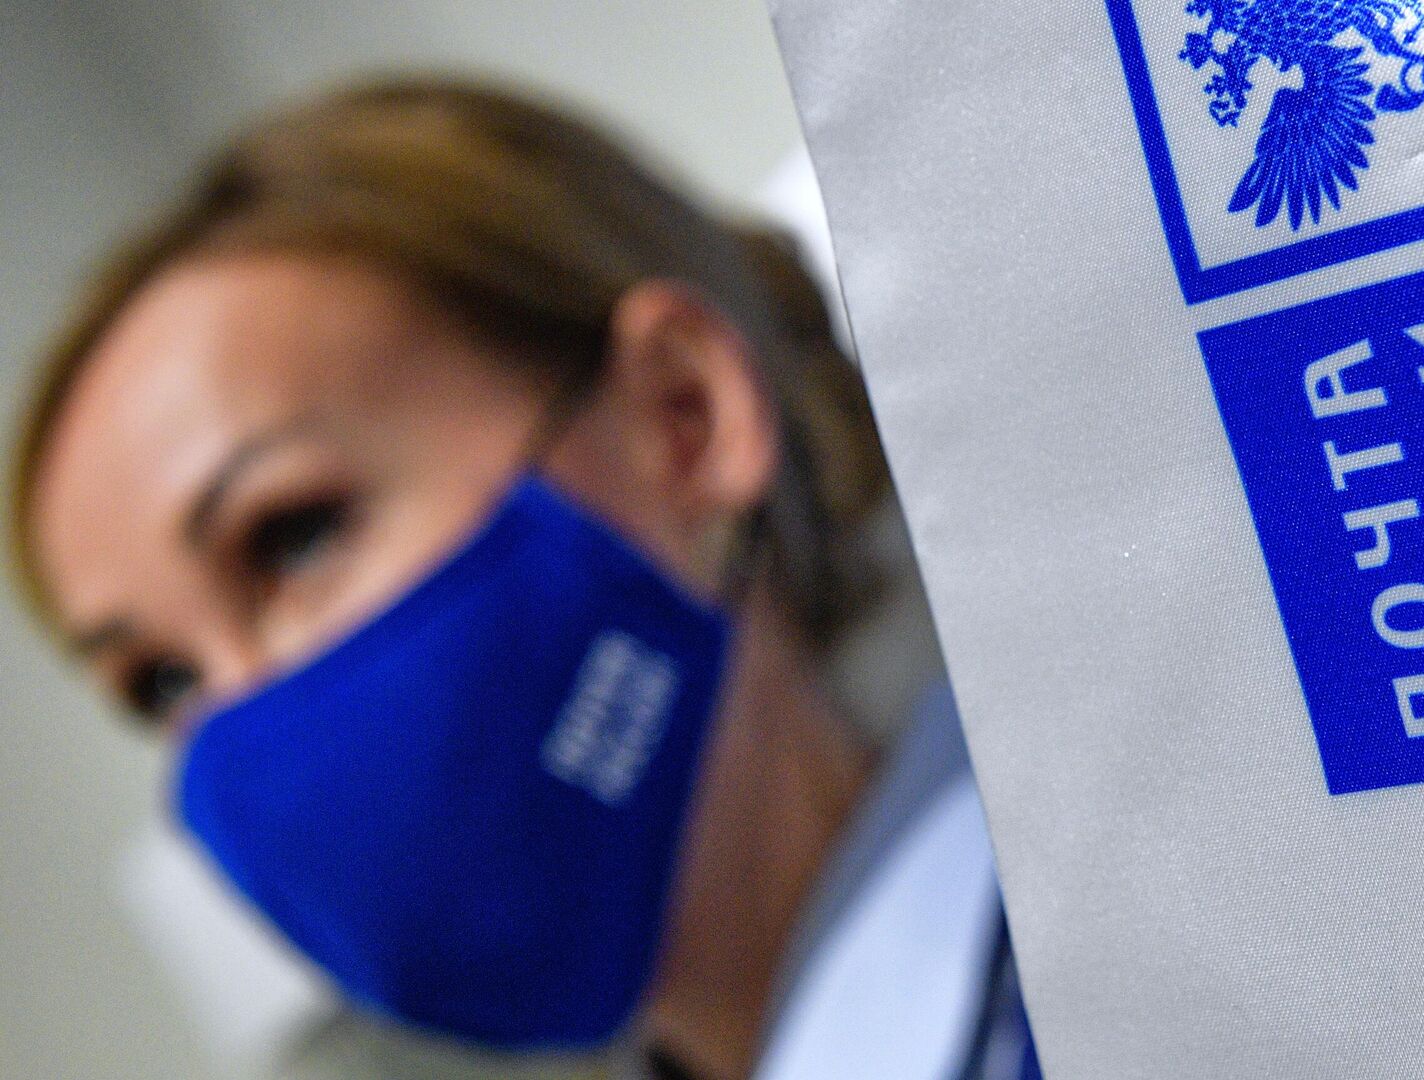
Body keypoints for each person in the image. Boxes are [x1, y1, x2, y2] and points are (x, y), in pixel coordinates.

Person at [7, 79, 1042, 1080]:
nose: (247, 717)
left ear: (681, 415)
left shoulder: (1121, 935)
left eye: (295, 535)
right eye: (163, 682)